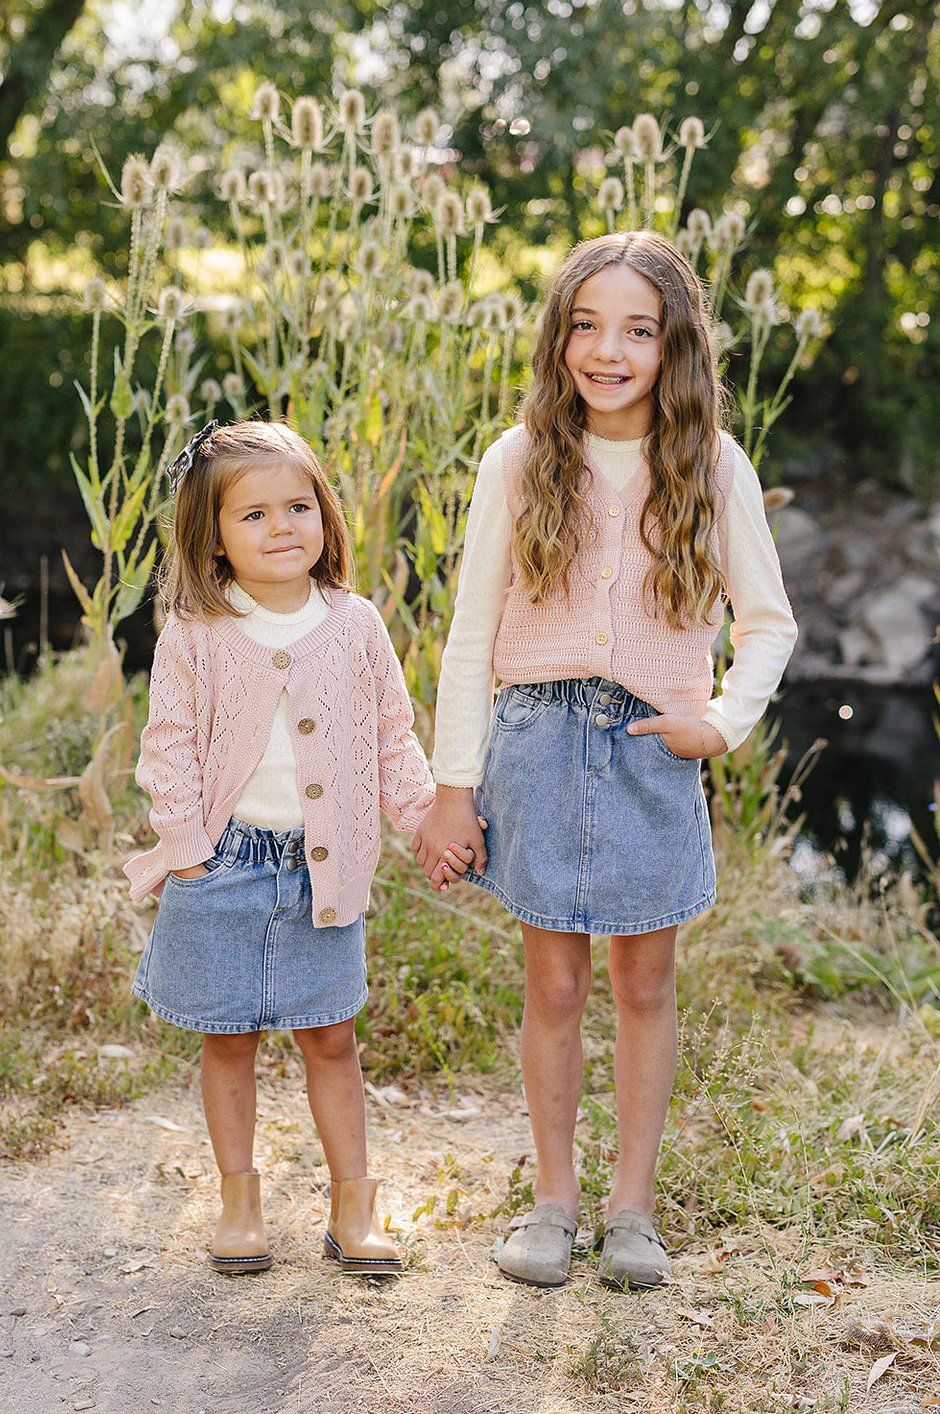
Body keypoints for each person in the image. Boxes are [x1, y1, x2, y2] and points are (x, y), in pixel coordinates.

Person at [413, 231, 797, 1290]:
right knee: (552, 983)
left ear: (673, 342)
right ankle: (551, 1199)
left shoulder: (713, 463)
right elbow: (471, 636)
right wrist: (452, 788)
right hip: (533, 744)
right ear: (558, 337)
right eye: (585, 325)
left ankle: (631, 1207)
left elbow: (767, 623)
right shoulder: (518, 456)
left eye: (636, 328)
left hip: (646, 752)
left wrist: (717, 722)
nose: (607, 349)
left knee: (643, 981)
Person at [125, 418, 439, 1277]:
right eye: (253, 515)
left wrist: (422, 818)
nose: (281, 528)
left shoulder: (355, 624)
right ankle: (238, 1199)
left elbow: (390, 736)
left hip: (321, 869)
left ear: (326, 518)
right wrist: (188, 850)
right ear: (214, 538)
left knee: (330, 1037)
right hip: (222, 865)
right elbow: (170, 744)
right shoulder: (197, 631)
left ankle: (353, 1205)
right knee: (228, 1039)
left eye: (298, 506)